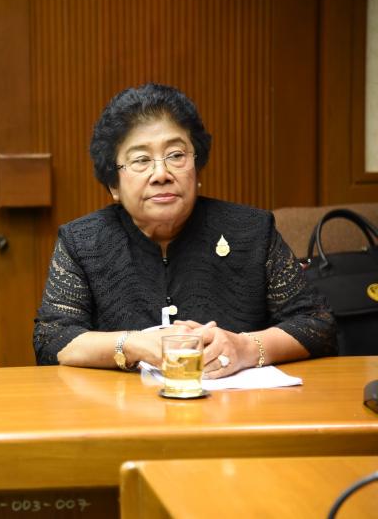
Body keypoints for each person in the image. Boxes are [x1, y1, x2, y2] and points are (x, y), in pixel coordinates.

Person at [33, 83, 336, 378]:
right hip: (122, 407)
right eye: (141, 160)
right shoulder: (82, 242)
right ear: (114, 184)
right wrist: (131, 345)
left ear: (197, 167)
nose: (161, 174)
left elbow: (317, 324)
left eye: (176, 155)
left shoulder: (252, 230)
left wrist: (245, 348)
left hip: (237, 407)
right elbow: (52, 339)